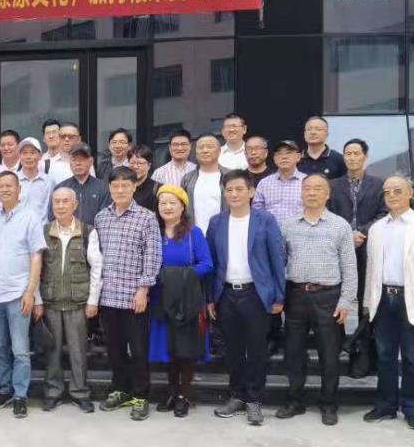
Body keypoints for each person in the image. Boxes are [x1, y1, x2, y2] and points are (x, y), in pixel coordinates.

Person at [363, 176, 414, 431]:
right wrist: (368, 301)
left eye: (397, 191)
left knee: (412, 357)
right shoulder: (377, 228)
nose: (392, 195)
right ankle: (385, 406)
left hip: (410, 298)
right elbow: (372, 269)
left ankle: (413, 409)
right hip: (382, 299)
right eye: (387, 192)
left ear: (410, 193)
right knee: (385, 356)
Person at [207, 170, 286, 426]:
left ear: (251, 192)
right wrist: (210, 298)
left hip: (256, 294)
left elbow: (277, 258)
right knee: (232, 350)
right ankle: (237, 396)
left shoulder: (265, 220)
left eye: (239, 189)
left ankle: (254, 400)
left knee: (256, 349)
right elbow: (212, 262)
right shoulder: (217, 222)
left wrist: (279, 295)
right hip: (226, 294)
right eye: (229, 190)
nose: (234, 194)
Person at [278, 174, 358, 426]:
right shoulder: (287, 225)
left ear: (327, 194)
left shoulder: (340, 226)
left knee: (329, 353)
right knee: (294, 352)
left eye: (318, 188)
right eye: (307, 188)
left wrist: (345, 301)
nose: (312, 193)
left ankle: (329, 403)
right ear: (301, 193)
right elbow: (280, 262)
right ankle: (295, 400)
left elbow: (349, 267)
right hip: (296, 295)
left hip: (328, 296)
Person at [94, 167, 164, 421]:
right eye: (115, 186)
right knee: (114, 349)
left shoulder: (146, 217)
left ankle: (141, 395)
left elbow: (153, 256)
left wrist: (143, 290)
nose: (120, 190)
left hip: (134, 296)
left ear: (134, 187)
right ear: (109, 188)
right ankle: (120, 389)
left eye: (125, 185)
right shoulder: (101, 218)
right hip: (108, 296)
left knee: (138, 349)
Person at [147, 185, 213, 419]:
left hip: (187, 300)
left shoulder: (194, 234)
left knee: (186, 349)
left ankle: (184, 395)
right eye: (162, 203)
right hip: (160, 298)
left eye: (172, 202)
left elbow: (207, 264)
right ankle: (172, 392)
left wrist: (176, 275)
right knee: (168, 349)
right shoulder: (152, 232)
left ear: (183, 207)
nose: (167, 207)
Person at [0, 171, 46, 418]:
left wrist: (31, 292)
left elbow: (36, 257)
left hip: (18, 294)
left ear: (19, 189)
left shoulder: (30, 217)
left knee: (20, 349)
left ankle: (21, 395)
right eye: (0, 186)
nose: (5, 189)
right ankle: (5, 388)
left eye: (9, 185)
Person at [36, 186, 102, 412]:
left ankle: (80, 392)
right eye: (57, 201)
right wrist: (37, 300)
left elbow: (97, 267)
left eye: (66, 201)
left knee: (78, 351)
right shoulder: (44, 232)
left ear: (75, 205)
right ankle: (53, 392)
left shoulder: (87, 232)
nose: (61, 206)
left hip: (78, 304)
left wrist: (93, 300)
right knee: (52, 352)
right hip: (51, 302)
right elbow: (36, 269)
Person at [328, 138, 387, 326]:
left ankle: (364, 336)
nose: (352, 157)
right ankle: (336, 334)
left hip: (367, 244)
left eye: (356, 153)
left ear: (365, 157)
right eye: (348, 154)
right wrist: (347, 234)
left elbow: (384, 214)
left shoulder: (379, 184)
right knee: (335, 292)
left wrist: (361, 232)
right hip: (337, 246)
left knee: (366, 292)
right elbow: (327, 213)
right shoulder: (332, 185)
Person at [253, 140, 307, 220]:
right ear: (274, 158)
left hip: (300, 227)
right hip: (270, 227)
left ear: (298, 157)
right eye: (279, 153)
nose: (284, 157)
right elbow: (256, 212)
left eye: (288, 153)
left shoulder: (307, 181)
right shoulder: (264, 183)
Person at [183, 133, 227, 230]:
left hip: (222, 233)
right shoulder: (187, 179)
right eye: (201, 147)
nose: (205, 150)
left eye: (210, 147)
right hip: (194, 234)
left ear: (219, 151)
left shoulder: (230, 176)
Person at [63, 143, 110, 225]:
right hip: (67, 232)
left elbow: (106, 218)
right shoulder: (62, 188)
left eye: (82, 159)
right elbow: (53, 217)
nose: (78, 163)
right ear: (70, 163)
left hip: (95, 232)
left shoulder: (103, 188)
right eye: (74, 159)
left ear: (91, 161)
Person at [15, 136, 53, 220]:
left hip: (41, 227)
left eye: (32, 153)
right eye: (24, 153)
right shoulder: (12, 180)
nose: (28, 157)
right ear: (19, 156)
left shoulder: (49, 182)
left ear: (40, 156)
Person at [128, 144, 158, 211]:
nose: (135, 166)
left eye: (140, 163)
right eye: (132, 163)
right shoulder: (123, 187)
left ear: (149, 165)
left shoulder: (157, 188)